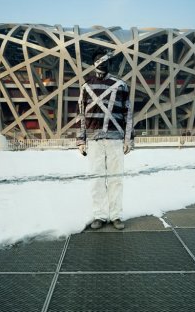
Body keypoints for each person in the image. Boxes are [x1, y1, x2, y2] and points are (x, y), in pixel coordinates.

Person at [76, 48, 134, 230]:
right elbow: (81, 115)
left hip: (115, 140)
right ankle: (99, 216)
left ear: (109, 63)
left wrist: (128, 139)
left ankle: (116, 215)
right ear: (94, 63)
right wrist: (81, 140)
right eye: (99, 61)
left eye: (105, 61)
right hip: (94, 140)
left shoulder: (121, 85)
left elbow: (128, 114)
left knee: (116, 178)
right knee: (97, 179)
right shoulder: (86, 87)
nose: (102, 64)